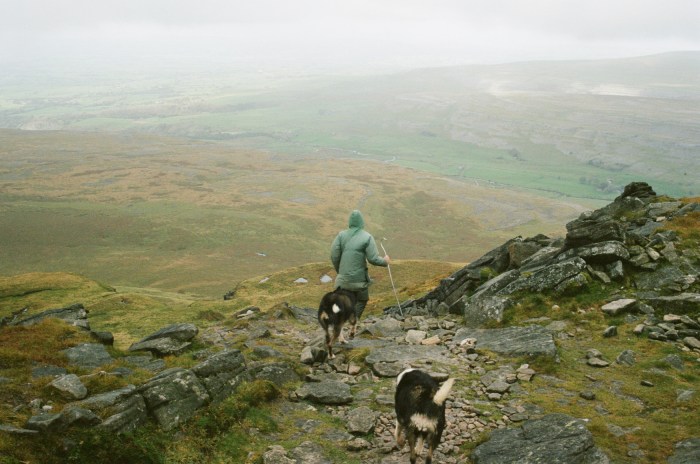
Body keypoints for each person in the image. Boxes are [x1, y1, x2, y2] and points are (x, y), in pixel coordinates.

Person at [331, 210, 390, 320]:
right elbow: (373, 259)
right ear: (361, 222)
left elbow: (334, 256)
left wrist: (341, 272)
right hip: (359, 282)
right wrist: (385, 261)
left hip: (342, 280)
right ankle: (353, 320)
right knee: (362, 300)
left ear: (350, 222)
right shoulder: (367, 237)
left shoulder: (340, 236)